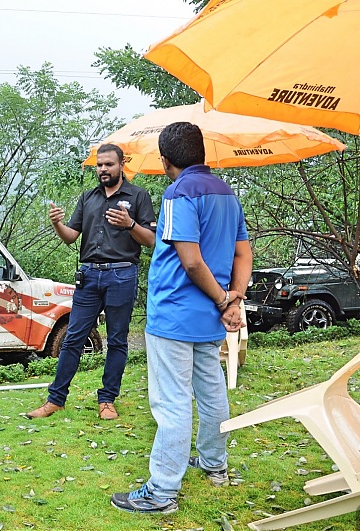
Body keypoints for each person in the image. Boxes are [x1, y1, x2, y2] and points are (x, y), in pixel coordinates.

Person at [111, 122, 252, 515]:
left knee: (171, 402)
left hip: (174, 315)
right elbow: (243, 254)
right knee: (210, 392)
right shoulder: (226, 193)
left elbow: (190, 261)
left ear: (165, 159)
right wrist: (232, 299)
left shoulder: (178, 192)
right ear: (202, 154)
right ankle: (214, 465)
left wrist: (226, 298)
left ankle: (162, 491)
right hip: (209, 317)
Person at [26, 143, 156, 421]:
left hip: (122, 273)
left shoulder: (139, 196)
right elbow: (71, 237)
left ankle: (107, 400)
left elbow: (152, 241)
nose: (103, 169)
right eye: (99, 165)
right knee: (73, 337)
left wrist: (130, 224)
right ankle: (55, 400)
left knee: (118, 340)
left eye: (109, 164)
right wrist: (57, 224)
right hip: (89, 275)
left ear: (122, 165)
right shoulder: (88, 197)